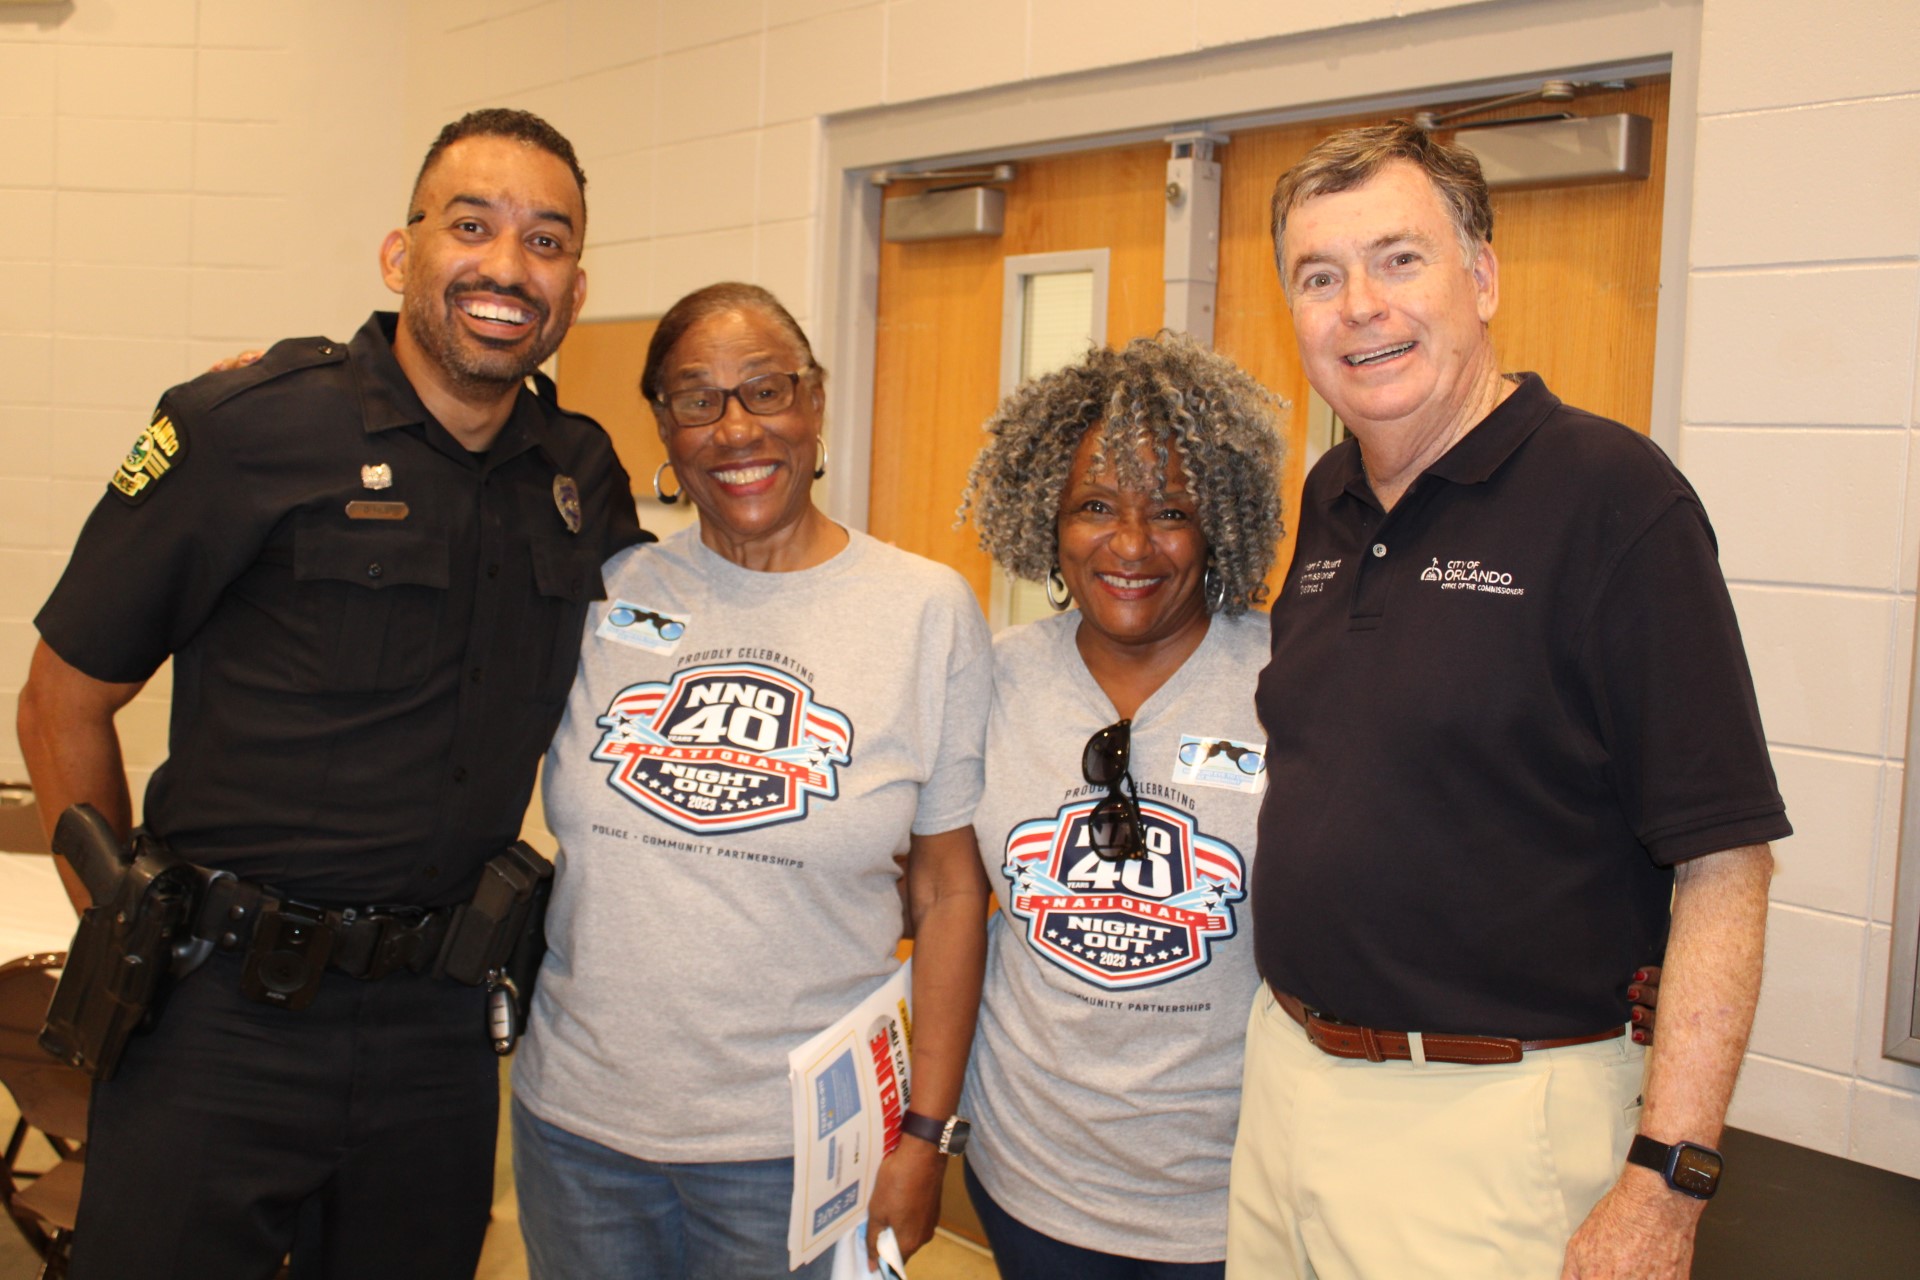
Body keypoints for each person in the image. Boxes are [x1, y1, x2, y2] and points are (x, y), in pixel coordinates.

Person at [13, 108, 641, 1279]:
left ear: (575, 286)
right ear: (402, 256)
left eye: (545, 242)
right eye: (472, 225)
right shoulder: (243, 427)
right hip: (215, 1019)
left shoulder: (581, 473)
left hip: (437, 1028)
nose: (507, 266)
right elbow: (60, 700)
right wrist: (121, 921)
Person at [1227, 121, 1790, 1280]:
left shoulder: (1614, 497)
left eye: (1399, 259)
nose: (1360, 307)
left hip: (1494, 1123)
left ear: (1481, 277)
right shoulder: (1332, 498)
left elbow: (1726, 860)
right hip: (1288, 1087)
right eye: (1319, 277)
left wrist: (1667, 1181)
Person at [509, 282, 993, 1279]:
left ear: (814, 404)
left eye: (765, 389)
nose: (736, 427)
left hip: (799, 1150)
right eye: (698, 399)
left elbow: (950, 892)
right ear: (664, 430)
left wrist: (928, 1131)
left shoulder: (922, 610)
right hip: (579, 1129)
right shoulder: (606, 593)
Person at [956, 333, 1285, 1278]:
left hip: (1225, 1203)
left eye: (1171, 512)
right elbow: (933, 892)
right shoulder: (993, 675)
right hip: (1030, 1180)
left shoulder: (1290, 681)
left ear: (1219, 522)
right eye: (1095, 507)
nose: (1132, 546)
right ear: (1047, 520)